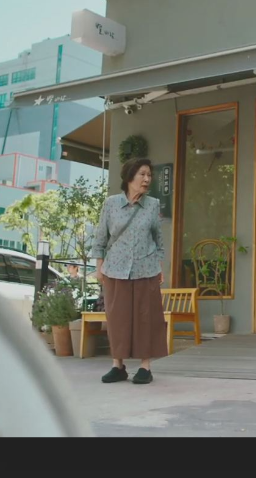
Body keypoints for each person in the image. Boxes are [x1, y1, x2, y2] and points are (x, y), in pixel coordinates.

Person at [89, 157, 168, 385]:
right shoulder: (111, 204)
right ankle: (118, 366)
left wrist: (159, 267)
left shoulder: (152, 205)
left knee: (146, 318)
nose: (147, 179)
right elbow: (100, 238)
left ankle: (145, 367)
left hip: (146, 268)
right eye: (142, 174)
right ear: (129, 176)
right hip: (115, 269)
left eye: (149, 175)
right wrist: (99, 267)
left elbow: (158, 240)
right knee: (118, 319)